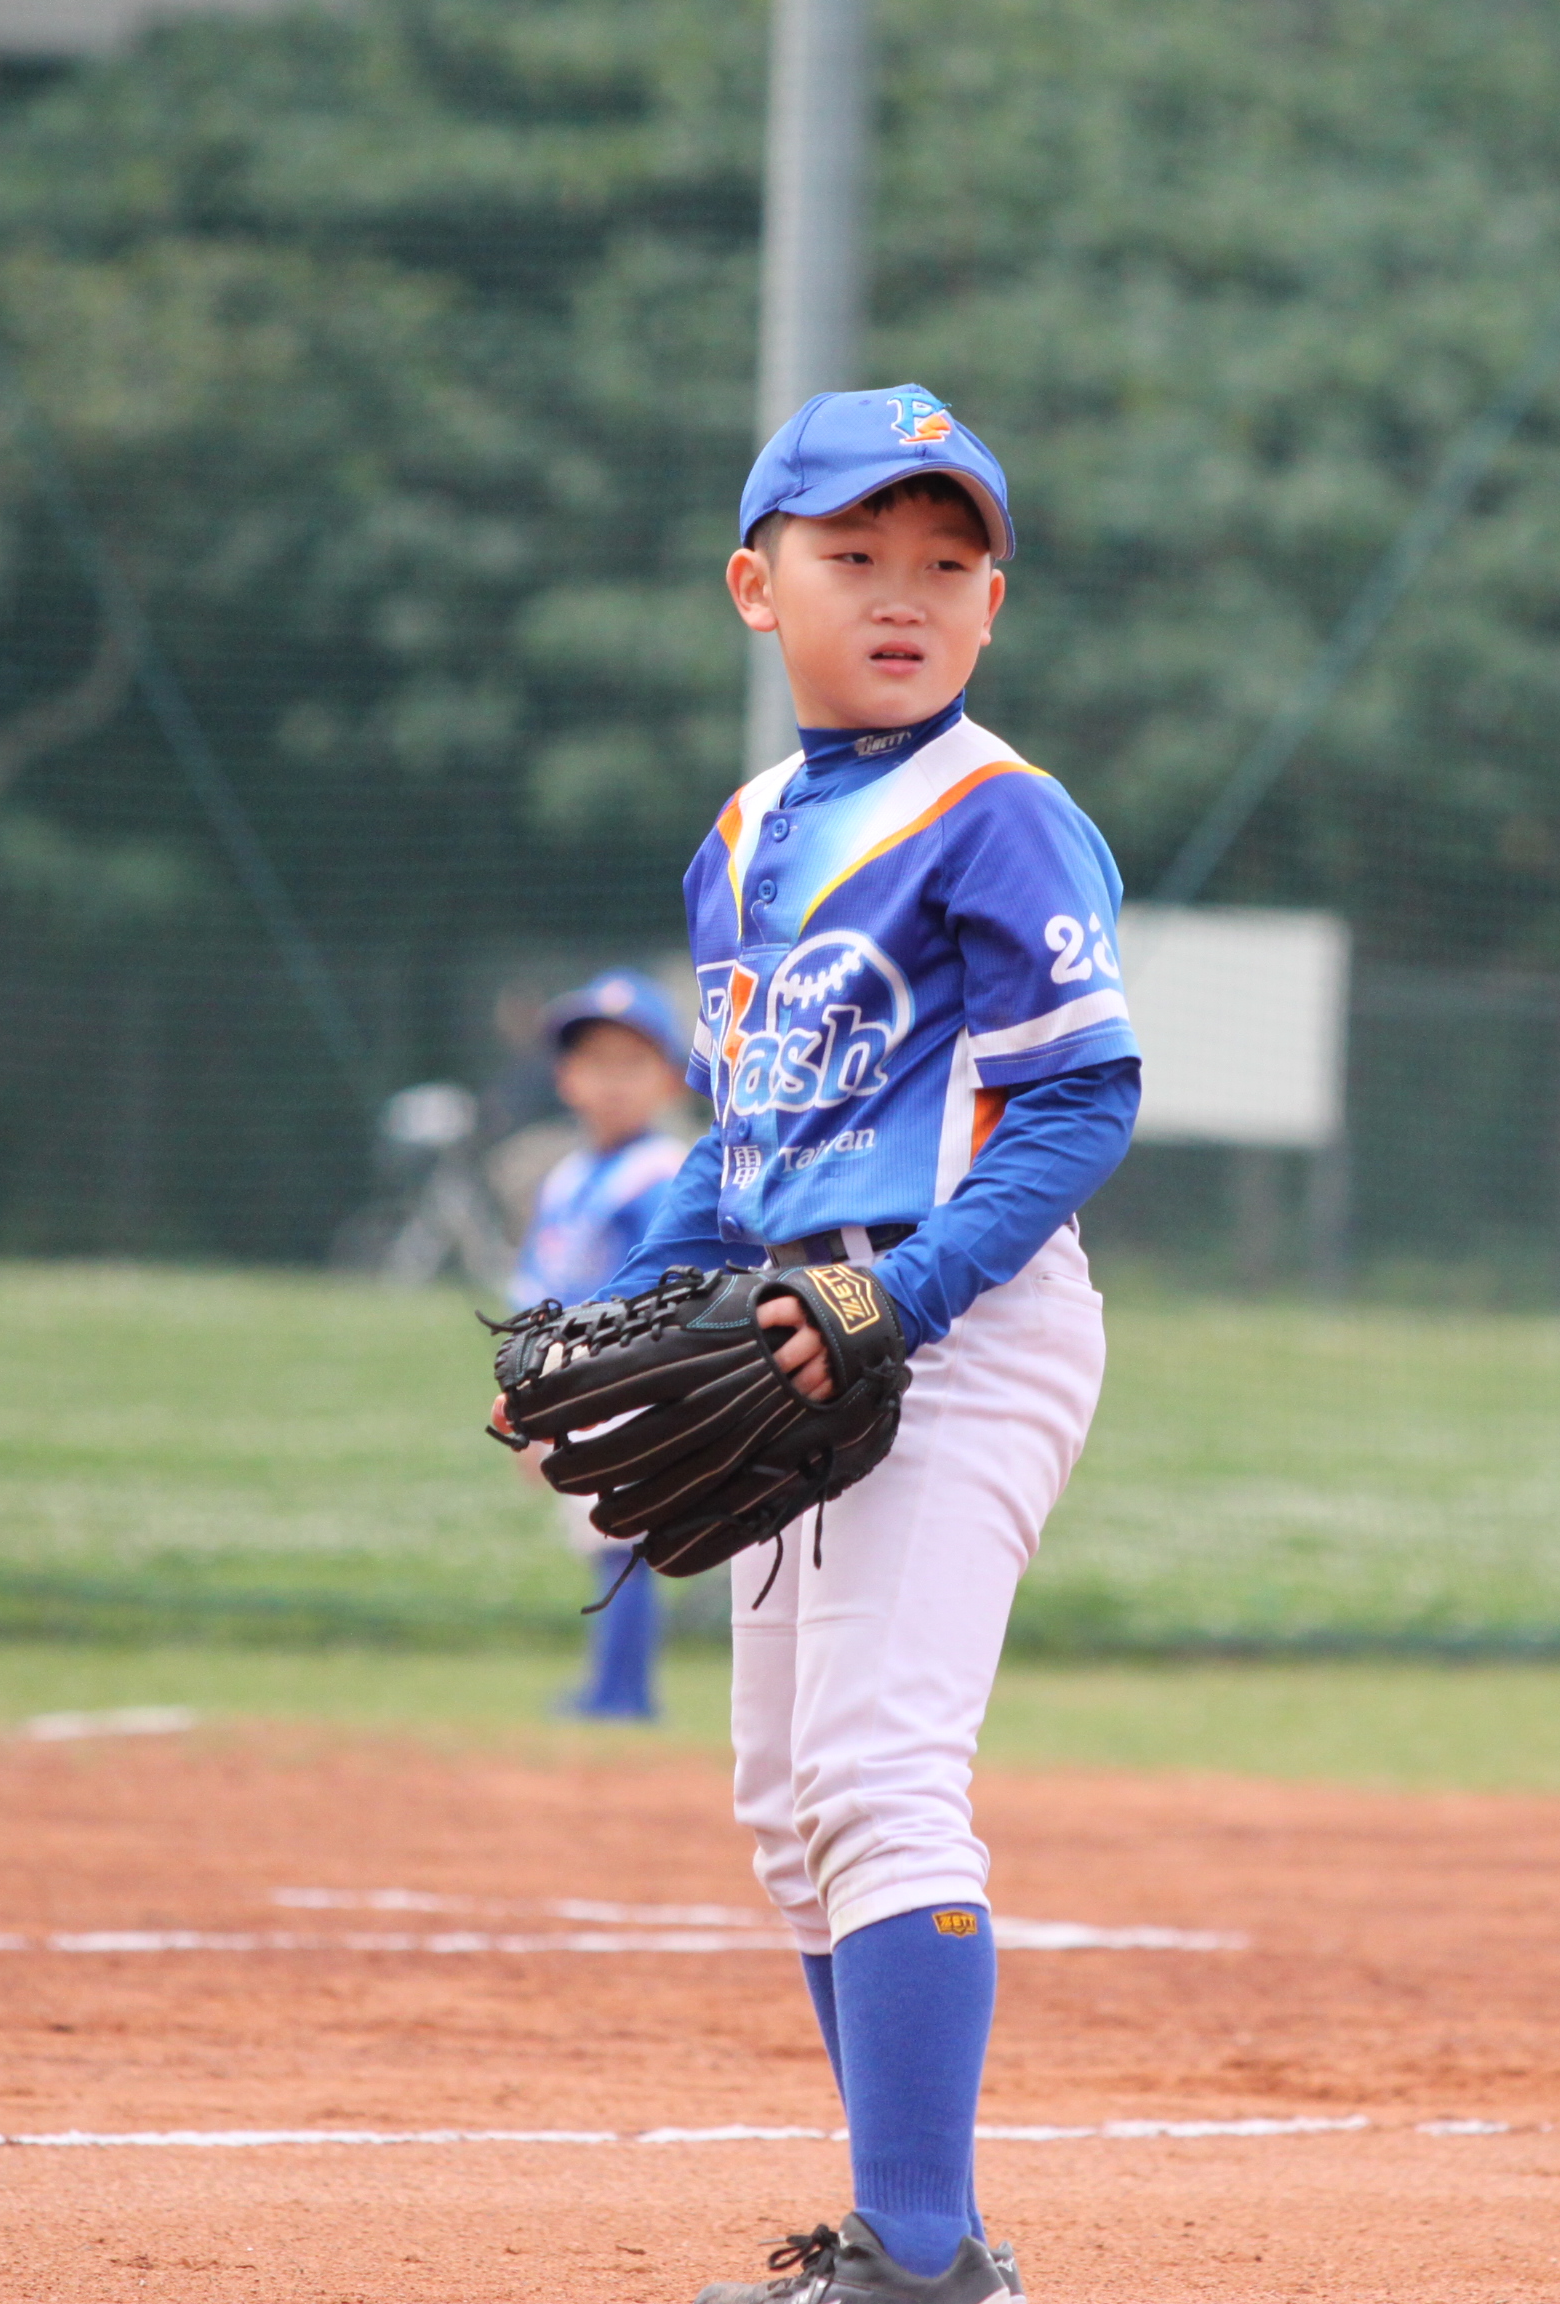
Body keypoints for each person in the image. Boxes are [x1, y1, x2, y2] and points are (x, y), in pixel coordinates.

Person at [578, 387, 1140, 2304]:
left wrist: (903, 1294)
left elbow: (1082, 1102)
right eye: (855, 553)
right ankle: (917, 2231)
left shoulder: (1002, 814)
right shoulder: (743, 838)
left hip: (956, 1319)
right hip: (792, 1328)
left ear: (994, 603)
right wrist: (620, 1313)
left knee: (882, 1773)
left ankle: (915, 2253)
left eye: (946, 560)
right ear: (758, 586)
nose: (904, 591)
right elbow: (740, 1146)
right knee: (787, 1804)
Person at [509, 967, 698, 1721]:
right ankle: (612, 1688)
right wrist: (530, 1402)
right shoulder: (567, 1179)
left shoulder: (665, 1172)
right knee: (606, 1537)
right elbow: (536, 1295)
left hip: (634, 1383)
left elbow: (674, 1292)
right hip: (575, 1383)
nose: (612, 1082)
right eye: (595, 1062)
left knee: (623, 1537)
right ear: (566, 1078)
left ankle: (622, 1695)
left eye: (632, 1063)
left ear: (671, 1080)